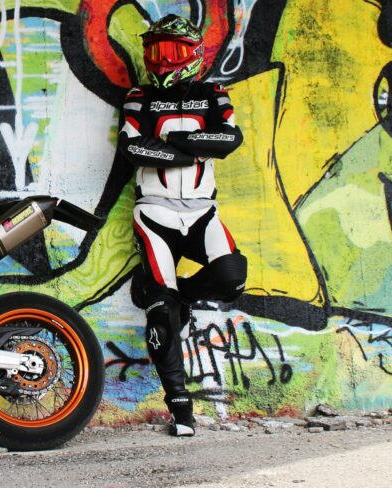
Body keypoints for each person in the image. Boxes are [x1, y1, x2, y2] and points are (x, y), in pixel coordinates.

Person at [116, 14, 248, 437]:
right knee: (161, 313)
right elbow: (133, 148)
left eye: (172, 51)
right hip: (153, 214)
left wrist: (170, 143)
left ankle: (183, 297)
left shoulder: (213, 92)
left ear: (194, 54)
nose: (162, 59)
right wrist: (193, 151)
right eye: (154, 50)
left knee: (232, 276)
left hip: (202, 211)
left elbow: (230, 139)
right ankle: (181, 410)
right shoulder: (139, 96)